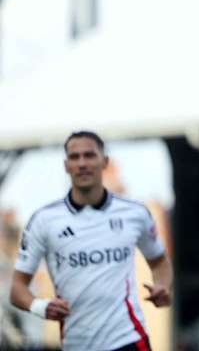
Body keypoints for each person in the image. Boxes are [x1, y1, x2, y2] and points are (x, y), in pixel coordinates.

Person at [10, 131, 172, 351]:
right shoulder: (44, 220)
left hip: (128, 339)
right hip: (77, 344)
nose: (82, 163)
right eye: (75, 157)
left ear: (104, 162)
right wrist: (40, 306)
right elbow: (17, 289)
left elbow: (159, 261)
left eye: (89, 155)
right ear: (66, 165)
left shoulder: (134, 213)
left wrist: (162, 285)